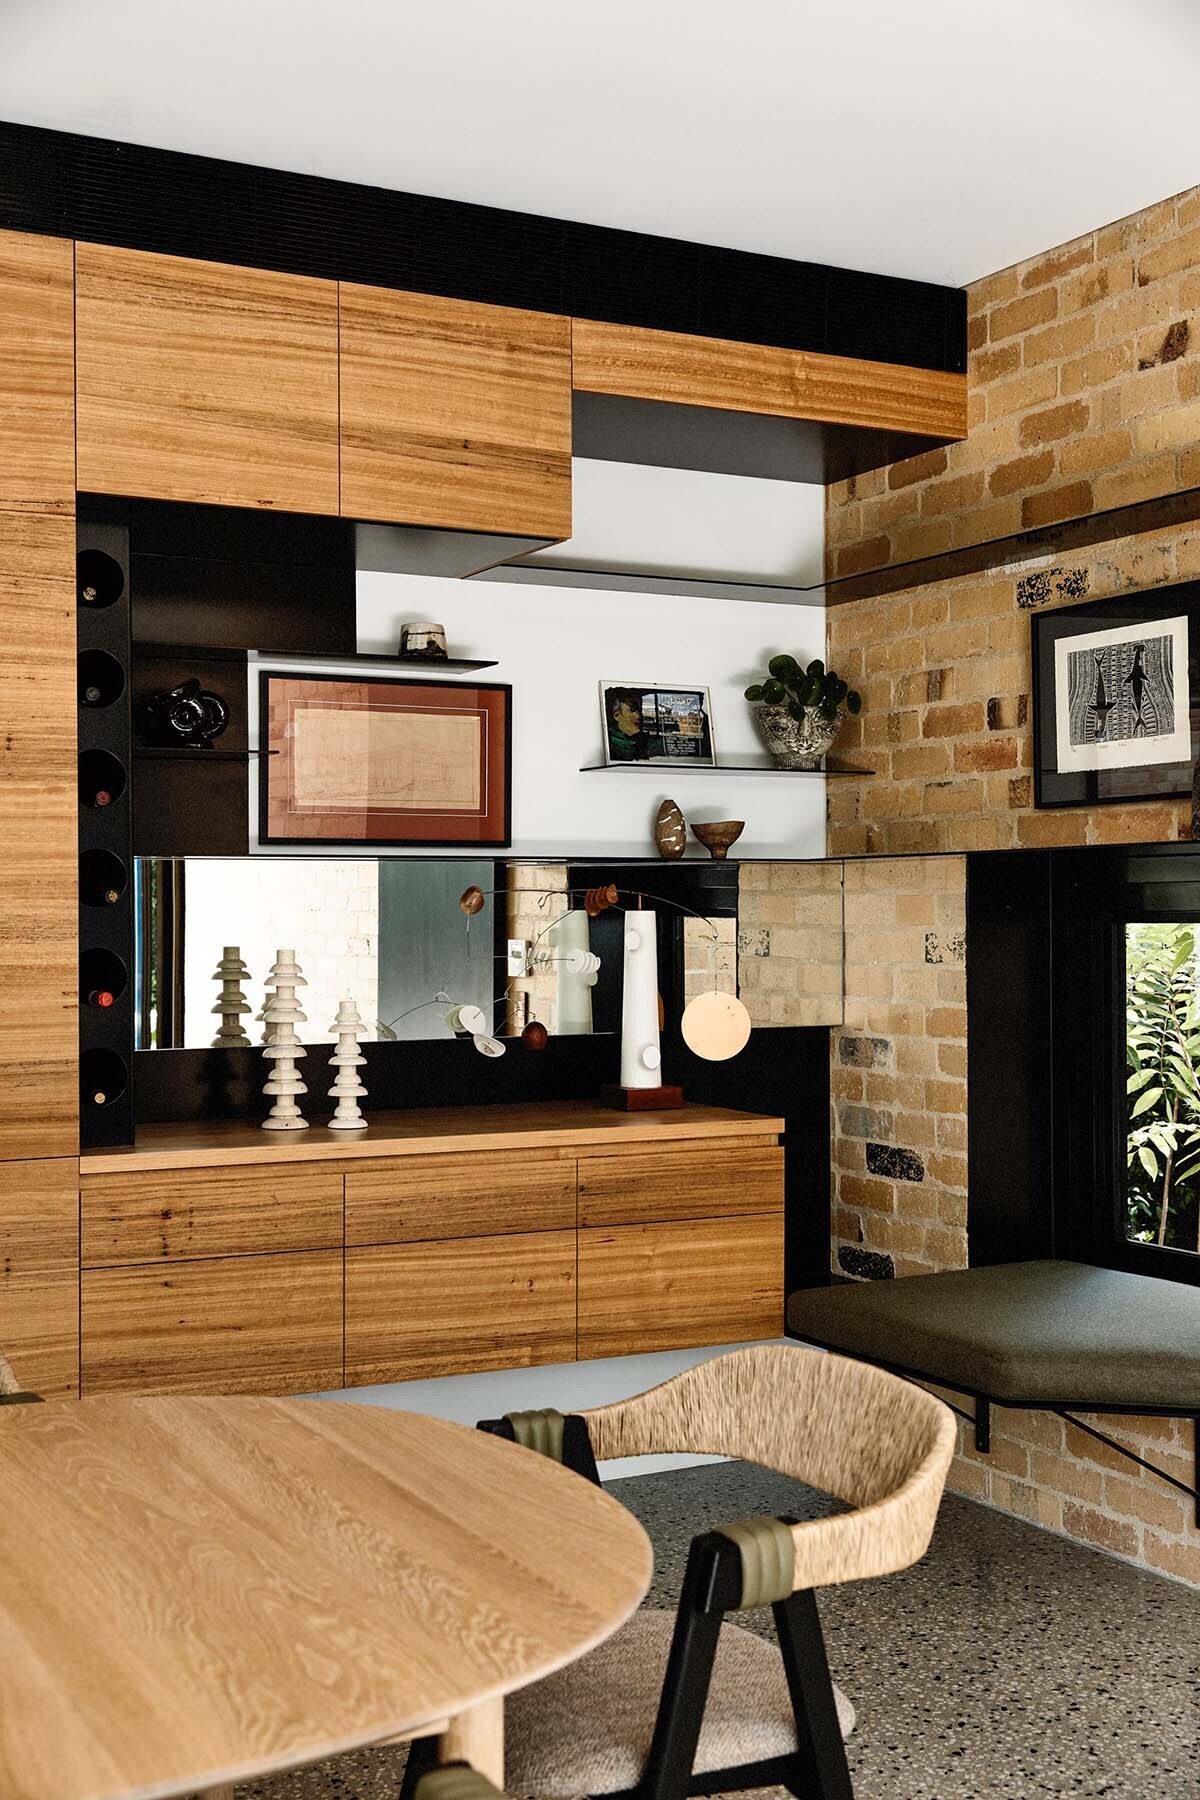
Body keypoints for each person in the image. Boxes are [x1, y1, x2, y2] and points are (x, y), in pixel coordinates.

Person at [606, 687, 649, 760]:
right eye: (632, 709)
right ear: (617, 715)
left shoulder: (640, 743)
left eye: (640, 709)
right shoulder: (611, 746)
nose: (639, 715)